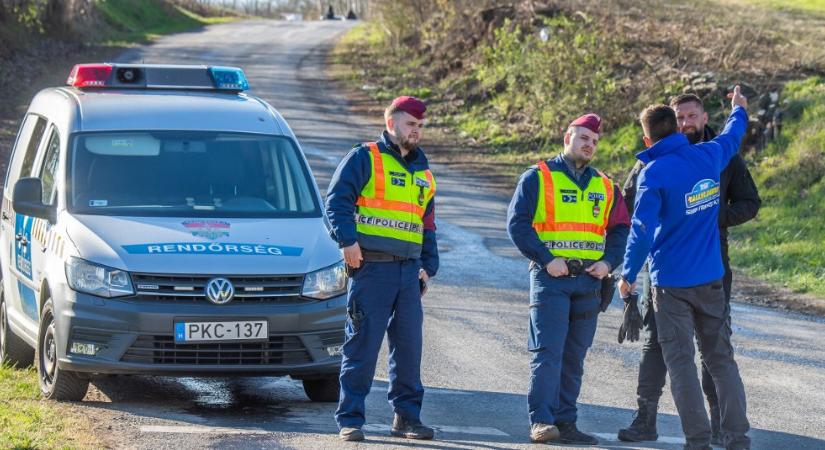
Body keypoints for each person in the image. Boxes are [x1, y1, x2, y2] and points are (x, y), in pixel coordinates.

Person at [619, 94, 760, 445]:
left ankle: (697, 440)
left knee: (680, 362)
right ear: (677, 129)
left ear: (647, 140)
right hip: (712, 278)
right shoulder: (709, 155)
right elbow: (733, 133)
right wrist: (738, 108)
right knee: (721, 360)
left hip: (671, 286)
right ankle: (737, 438)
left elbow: (639, 232)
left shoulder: (653, 173)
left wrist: (626, 276)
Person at [507, 114, 630, 444]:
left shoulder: (606, 185)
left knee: (575, 357)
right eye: (584, 138)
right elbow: (518, 224)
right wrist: (547, 259)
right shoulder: (538, 178)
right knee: (548, 353)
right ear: (567, 138)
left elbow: (620, 229)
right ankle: (542, 422)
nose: (589, 145)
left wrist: (608, 262)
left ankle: (567, 422)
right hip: (551, 280)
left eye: (594, 141)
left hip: (589, 282)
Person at [326, 96, 438, 442]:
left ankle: (406, 418)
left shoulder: (423, 171)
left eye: (419, 126)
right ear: (391, 124)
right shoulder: (365, 157)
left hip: (408, 273)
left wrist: (428, 266)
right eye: (410, 124)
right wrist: (347, 241)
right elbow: (337, 201)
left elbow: (427, 223)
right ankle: (350, 419)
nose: (416, 131)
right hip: (371, 269)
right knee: (361, 347)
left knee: (408, 350)